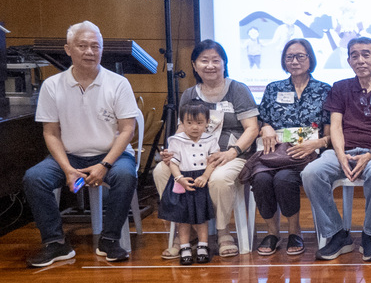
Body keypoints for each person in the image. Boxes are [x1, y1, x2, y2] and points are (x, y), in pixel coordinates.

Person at [23, 20, 139, 267]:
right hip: (70, 156)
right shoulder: (52, 86)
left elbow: (127, 130)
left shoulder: (118, 83)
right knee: (34, 178)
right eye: (83, 46)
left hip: (112, 155)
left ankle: (109, 240)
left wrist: (104, 165)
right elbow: (51, 133)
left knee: (126, 176)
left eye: (95, 46)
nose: (90, 52)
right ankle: (55, 243)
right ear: (68, 49)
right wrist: (67, 169)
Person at [155, 40, 259, 258]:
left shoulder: (238, 89)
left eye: (215, 60)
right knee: (161, 171)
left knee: (219, 178)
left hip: (230, 155)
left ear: (224, 63)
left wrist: (232, 152)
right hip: (190, 156)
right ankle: (186, 230)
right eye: (204, 61)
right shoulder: (189, 94)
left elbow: (252, 129)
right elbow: (180, 131)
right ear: (194, 65)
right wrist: (171, 152)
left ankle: (223, 232)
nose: (210, 65)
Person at [302, 36, 371, 262]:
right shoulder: (340, 87)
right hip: (342, 151)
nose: (360, 60)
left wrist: (370, 154)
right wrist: (340, 155)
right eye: (354, 55)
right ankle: (338, 234)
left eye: (366, 54)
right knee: (311, 173)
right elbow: (335, 126)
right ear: (348, 61)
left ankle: (368, 235)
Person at [247, 38, 331, 256]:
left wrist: (318, 142)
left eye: (300, 56)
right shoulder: (274, 88)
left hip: (308, 153)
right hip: (275, 152)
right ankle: (273, 232)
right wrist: (265, 128)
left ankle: (295, 231)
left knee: (284, 179)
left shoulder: (324, 90)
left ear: (310, 59)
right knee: (262, 179)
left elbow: (332, 133)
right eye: (289, 57)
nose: (295, 61)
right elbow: (264, 120)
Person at [159, 101, 218, 266]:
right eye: (189, 123)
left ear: (207, 122)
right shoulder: (176, 140)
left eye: (199, 123)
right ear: (182, 123)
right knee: (182, 217)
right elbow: (173, 163)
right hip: (183, 180)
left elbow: (213, 161)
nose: (194, 127)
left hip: (200, 180)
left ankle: (203, 246)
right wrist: (179, 179)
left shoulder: (210, 139)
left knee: (201, 218)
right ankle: (184, 247)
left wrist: (205, 177)